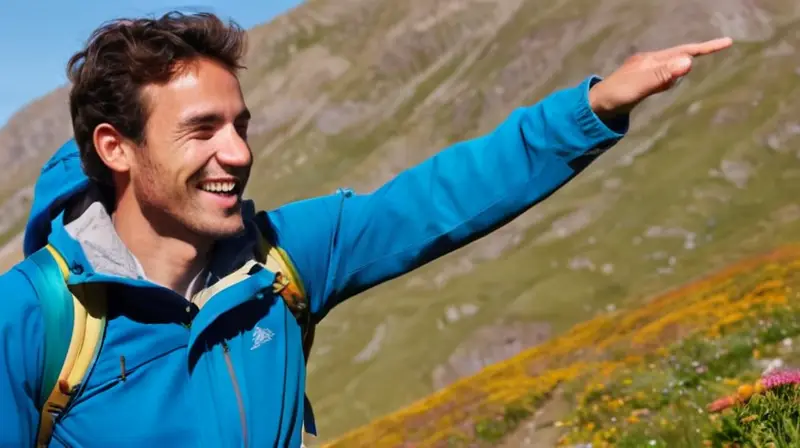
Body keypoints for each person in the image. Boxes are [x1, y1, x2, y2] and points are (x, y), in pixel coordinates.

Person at [0, 11, 731, 448]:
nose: (239, 153)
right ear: (113, 148)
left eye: (241, 125)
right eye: (202, 130)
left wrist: (596, 106)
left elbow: (439, 198)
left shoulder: (283, 259)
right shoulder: (34, 319)